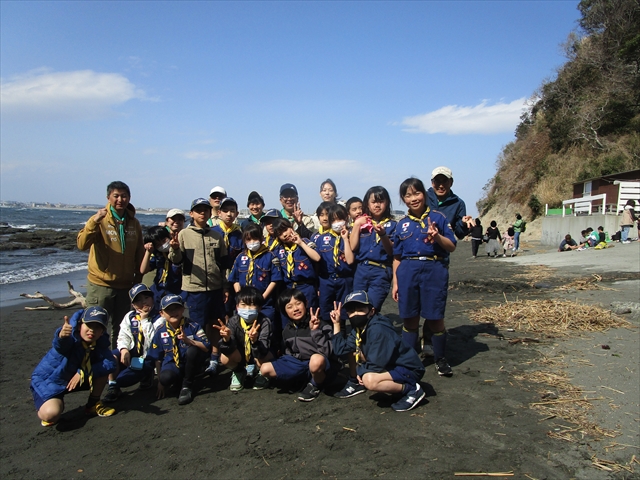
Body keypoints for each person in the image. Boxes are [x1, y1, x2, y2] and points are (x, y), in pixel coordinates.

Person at [392, 177, 456, 376]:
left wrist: (436, 236)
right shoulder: (401, 224)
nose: (413, 198)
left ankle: (440, 359)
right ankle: (409, 360)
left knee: (436, 317)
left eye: (416, 193)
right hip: (408, 272)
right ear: (403, 199)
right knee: (409, 318)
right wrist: (395, 282)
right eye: (408, 195)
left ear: (424, 194)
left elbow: (452, 246)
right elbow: (396, 256)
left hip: (434, 269)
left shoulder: (439, 218)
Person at [331, 291, 426, 411]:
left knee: (369, 380)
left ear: (371, 311)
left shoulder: (378, 329)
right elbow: (341, 349)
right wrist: (336, 324)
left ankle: (412, 389)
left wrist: (360, 371)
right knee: (355, 353)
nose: (355, 314)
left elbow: (376, 364)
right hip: (391, 366)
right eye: (351, 311)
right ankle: (399, 386)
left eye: (360, 309)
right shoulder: (360, 328)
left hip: (409, 368)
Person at [77, 181, 145, 347]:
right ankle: (92, 362)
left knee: (122, 328)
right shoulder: (100, 220)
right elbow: (81, 244)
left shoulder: (133, 223)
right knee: (95, 325)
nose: (120, 199)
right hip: (101, 284)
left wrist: (138, 278)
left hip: (125, 286)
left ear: (129, 198)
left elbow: (139, 252)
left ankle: (116, 362)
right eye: (116, 196)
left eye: (124, 196)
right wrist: (93, 222)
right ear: (108, 197)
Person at [168, 198, 229, 376]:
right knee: (196, 327)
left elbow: (224, 264)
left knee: (216, 325)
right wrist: (174, 249)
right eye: (198, 210)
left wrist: (225, 287)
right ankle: (195, 363)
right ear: (191, 213)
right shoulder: (184, 235)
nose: (202, 213)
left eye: (205, 210)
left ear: (211, 213)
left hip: (215, 289)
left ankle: (214, 358)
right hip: (193, 290)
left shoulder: (217, 236)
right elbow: (177, 261)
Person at [31, 306, 117, 427]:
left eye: (97, 327)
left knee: (104, 367)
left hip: (75, 379)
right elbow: (61, 345)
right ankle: (44, 406)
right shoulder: (70, 338)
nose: (92, 330)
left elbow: (110, 363)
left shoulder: (99, 343)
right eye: (89, 325)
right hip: (51, 380)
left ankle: (92, 404)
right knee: (51, 415)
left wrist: (82, 372)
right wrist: (61, 336)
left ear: (102, 332)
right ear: (79, 325)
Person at [259, 288, 339, 401]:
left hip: (322, 365)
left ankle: (316, 385)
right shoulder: (287, 330)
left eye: (298, 303)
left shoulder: (320, 324)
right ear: (284, 311)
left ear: (305, 303)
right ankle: (302, 380)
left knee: (316, 360)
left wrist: (315, 331)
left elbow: (328, 352)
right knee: (265, 369)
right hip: (301, 364)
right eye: (289, 307)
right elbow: (288, 353)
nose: (295, 309)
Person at [103, 284, 165, 402]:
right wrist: (124, 349)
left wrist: (145, 320)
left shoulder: (159, 318)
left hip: (149, 356)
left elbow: (152, 340)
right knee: (110, 358)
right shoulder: (130, 316)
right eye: (138, 300)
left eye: (146, 298)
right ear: (133, 305)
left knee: (123, 380)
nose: (143, 302)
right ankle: (113, 387)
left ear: (152, 297)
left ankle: (146, 375)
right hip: (133, 352)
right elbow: (123, 335)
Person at [147, 294, 211, 405]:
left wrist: (189, 341)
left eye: (176, 308)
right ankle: (178, 380)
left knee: (192, 351)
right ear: (162, 313)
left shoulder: (192, 326)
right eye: (169, 310)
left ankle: (187, 385)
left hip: (191, 362)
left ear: (182, 309)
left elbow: (206, 347)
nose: (173, 312)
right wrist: (160, 382)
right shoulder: (160, 331)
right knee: (165, 378)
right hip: (172, 363)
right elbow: (157, 357)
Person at [214, 286, 273, 391]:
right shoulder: (233, 321)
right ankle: (239, 371)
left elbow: (263, 351)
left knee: (263, 359)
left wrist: (255, 341)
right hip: (242, 354)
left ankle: (262, 374)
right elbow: (225, 349)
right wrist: (226, 340)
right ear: (237, 307)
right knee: (224, 357)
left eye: (252, 305)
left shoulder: (264, 322)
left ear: (259, 308)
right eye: (243, 305)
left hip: (260, 355)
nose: (247, 309)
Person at [350, 186, 396, 312]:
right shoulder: (363, 222)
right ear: (367, 204)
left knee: (372, 309)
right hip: (361, 270)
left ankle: (373, 331)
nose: (377, 205)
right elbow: (353, 247)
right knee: (357, 308)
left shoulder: (392, 225)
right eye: (373, 202)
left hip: (380, 271)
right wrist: (357, 224)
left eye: (381, 201)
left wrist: (383, 235)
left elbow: (391, 251)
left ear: (387, 203)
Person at [228, 223, 282, 324]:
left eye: (255, 239)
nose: (252, 242)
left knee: (265, 329)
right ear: (244, 241)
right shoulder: (240, 257)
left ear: (262, 238)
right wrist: (240, 296)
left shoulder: (270, 256)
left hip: (264, 304)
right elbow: (234, 279)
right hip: (243, 304)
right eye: (248, 239)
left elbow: (275, 280)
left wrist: (261, 298)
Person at [311, 203, 355, 323]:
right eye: (333, 220)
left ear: (346, 218)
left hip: (345, 280)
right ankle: (328, 338)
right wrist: (317, 285)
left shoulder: (352, 237)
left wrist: (345, 239)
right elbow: (317, 264)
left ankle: (342, 336)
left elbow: (350, 260)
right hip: (326, 280)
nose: (337, 222)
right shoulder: (321, 238)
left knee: (344, 313)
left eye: (340, 219)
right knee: (326, 312)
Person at [272, 217, 320, 310]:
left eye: (285, 230)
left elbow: (317, 258)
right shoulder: (278, 250)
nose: (285, 235)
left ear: (292, 227)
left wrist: (300, 243)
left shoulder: (305, 242)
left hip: (306, 287)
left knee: (309, 314)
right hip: (288, 288)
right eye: (280, 234)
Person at [212, 197, 244, 318]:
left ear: (237, 214)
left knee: (232, 312)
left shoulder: (240, 235)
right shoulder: (212, 232)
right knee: (216, 314)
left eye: (232, 210)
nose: (229, 214)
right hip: (215, 279)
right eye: (225, 210)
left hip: (233, 279)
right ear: (219, 213)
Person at [140, 226, 183, 311]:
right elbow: (143, 270)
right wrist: (148, 252)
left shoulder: (179, 250)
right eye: (158, 244)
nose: (163, 245)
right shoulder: (157, 254)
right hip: (159, 290)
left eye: (164, 241)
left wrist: (175, 248)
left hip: (177, 291)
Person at [426, 167, 474, 240]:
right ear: (432, 183)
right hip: (419, 247)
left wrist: (463, 223)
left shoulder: (458, 203)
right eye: (437, 181)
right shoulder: (423, 198)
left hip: (442, 248)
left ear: (451, 182)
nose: (441, 186)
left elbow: (459, 234)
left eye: (445, 181)